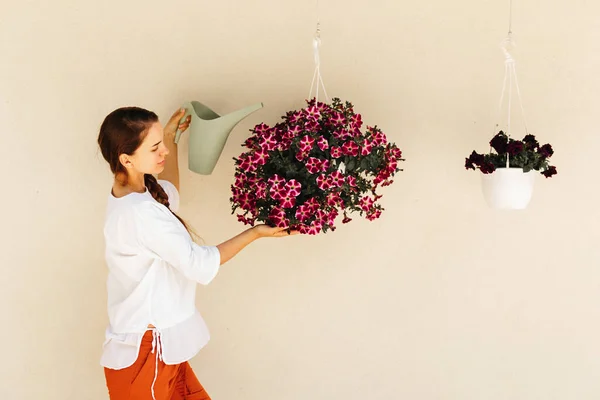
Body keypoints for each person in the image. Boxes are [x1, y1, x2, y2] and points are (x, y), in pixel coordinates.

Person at [97, 106, 296, 399]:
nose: (162, 151)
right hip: (147, 354)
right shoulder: (140, 213)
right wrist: (255, 232)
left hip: (158, 350)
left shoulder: (134, 194)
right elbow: (199, 265)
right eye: (155, 148)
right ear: (127, 158)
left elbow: (169, 195)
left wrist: (171, 138)